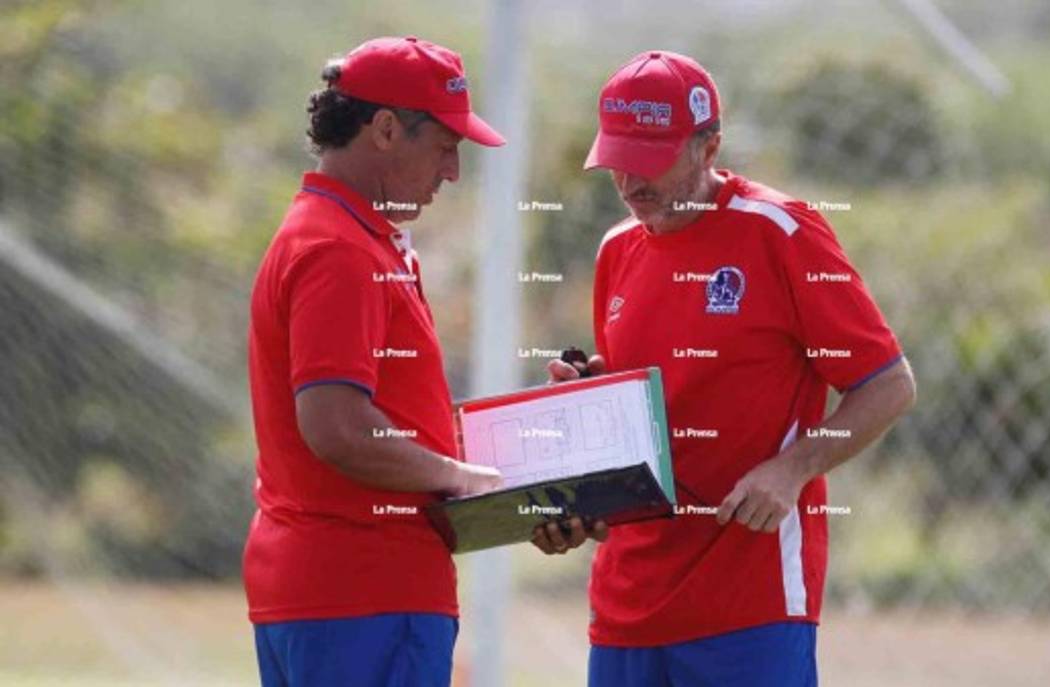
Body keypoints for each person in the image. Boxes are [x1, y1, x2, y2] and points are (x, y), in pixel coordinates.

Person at [542, 50, 918, 686]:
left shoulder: (781, 233)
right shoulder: (616, 250)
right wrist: (585, 439)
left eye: (650, 162)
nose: (631, 184)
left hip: (750, 603)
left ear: (708, 145)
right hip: (627, 605)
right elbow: (652, 400)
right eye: (617, 163)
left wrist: (792, 470)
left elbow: (888, 384)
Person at [244, 36, 504, 687]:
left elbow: (379, 416)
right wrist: (461, 477)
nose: (453, 172)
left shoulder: (346, 235)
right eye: (444, 147)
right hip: (366, 594)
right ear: (385, 129)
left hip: (332, 594)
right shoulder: (340, 250)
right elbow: (336, 426)